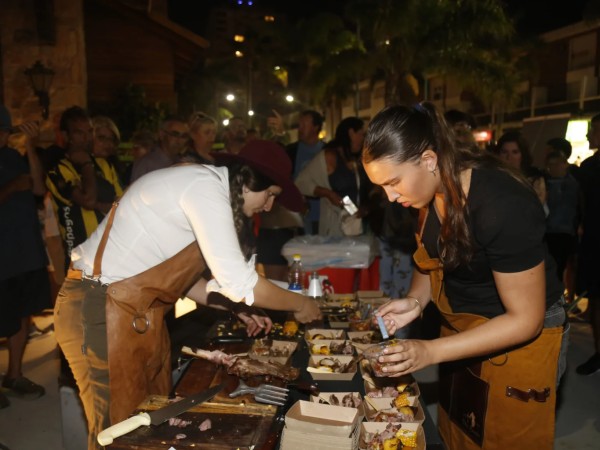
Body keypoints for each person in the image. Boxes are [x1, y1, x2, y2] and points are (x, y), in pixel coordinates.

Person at [54, 139, 322, 449]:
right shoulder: (204, 188)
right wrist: (300, 303)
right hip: (97, 308)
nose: (269, 206)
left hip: (133, 313)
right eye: (270, 194)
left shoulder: (206, 188)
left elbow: (185, 282)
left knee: (148, 424)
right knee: (115, 433)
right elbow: (240, 281)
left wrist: (235, 307)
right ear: (248, 181)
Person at [363, 103, 567, 449]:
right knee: (462, 432)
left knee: (505, 438)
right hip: (464, 329)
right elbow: (431, 261)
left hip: (519, 336)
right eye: (382, 187)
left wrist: (430, 351)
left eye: (393, 182)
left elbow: (525, 320)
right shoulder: (429, 190)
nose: (391, 196)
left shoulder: (501, 204)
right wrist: (415, 301)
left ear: (429, 160)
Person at [0, 105, 50, 408]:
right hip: (2, 256)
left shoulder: (13, 157)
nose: (3, 135)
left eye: (6, 130)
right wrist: (9, 189)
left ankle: (14, 374)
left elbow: (38, 186)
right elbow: (18, 188)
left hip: (25, 251)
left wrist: (30, 146)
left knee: (22, 314)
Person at [45, 106, 122, 268]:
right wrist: (86, 164)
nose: (86, 138)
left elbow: (122, 205)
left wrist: (99, 206)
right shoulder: (57, 170)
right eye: (79, 133)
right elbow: (88, 200)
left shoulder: (104, 165)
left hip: (111, 255)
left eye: (89, 131)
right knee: (82, 294)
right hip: (80, 259)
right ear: (66, 135)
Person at [295, 117, 367, 236]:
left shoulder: (357, 159)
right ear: (350, 133)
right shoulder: (328, 156)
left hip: (356, 224)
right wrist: (328, 193)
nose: (363, 139)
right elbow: (300, 182)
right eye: (361, 134)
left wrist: (366, 207)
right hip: (334, 226)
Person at [575, 113, 600, 375]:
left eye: (593, 130)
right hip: (593, 242)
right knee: (595, 300)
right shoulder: (590, 167)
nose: (588, 135)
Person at [544, 150, 581, 290]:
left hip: (563, 232)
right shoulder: (548, 182)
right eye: (550, 165)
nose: (553, 168)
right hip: (550, 232)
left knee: (560, 268)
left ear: (564, 165)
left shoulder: (571, 184)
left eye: (556, 164)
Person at [286, 110, 325, 234]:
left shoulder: (327, 151)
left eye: (304, 125)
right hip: (298, 216)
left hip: (323, 215)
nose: (300, 129)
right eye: (299, 125)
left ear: (315, 127)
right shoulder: (291, 151)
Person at [494, 131, 548, 213]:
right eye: (504, 152)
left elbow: (543, 212)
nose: (509, 157)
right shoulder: (492, 177)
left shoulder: (533, 179)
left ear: (523, 155)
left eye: (515, 152)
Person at [130, 115, 189, 182]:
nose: (179, 140)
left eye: (184, 136)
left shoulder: (182, 164)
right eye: (175, 134)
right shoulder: (146, 164)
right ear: (162, 134)